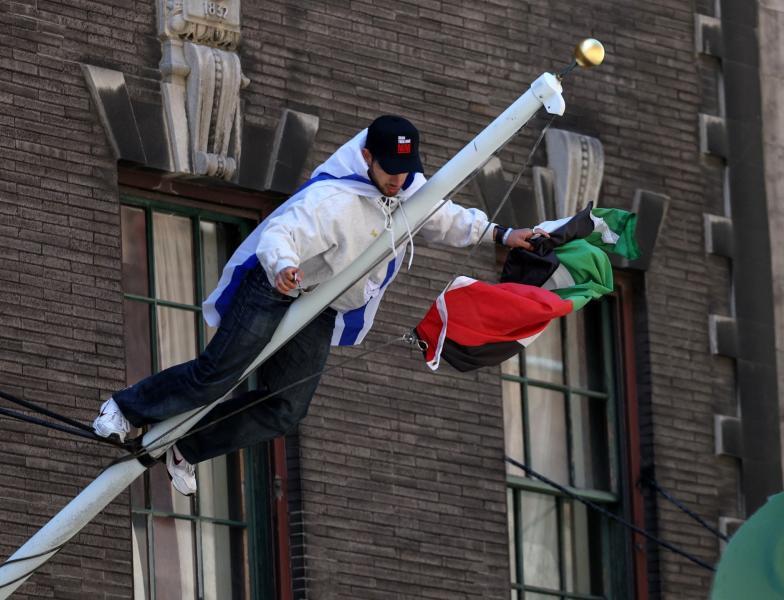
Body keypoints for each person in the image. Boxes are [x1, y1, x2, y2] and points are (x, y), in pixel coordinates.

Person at [93, 115, 541, 495]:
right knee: (218, 375)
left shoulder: (408, 190)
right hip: (276, 286)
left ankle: (187, 447)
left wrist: (501, 234)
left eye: (407, 170)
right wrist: (285, 267)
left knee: (286, 408)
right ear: (367, 158)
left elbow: (446, 218)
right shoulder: (332, 201)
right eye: (390, 169)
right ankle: (124, 408)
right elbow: (278, 235)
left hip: (321, 304)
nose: (399, 180)